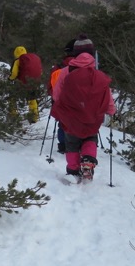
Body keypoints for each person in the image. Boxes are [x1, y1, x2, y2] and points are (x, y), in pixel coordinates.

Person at [50, 40, 115, 182]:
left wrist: (59, 109)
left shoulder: (65, 71)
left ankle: (73, 171)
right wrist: (110, 110)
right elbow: (107, 96)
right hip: (92, 116)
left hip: (71, 117)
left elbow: (57, 94)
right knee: (90, 138)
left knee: (71, 143)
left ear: (75, 54)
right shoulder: (98, 75)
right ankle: (88, 161)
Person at [48, 39, 76, 153]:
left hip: (61, 103)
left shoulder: (58, 67)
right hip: (79, 103)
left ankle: (63, 145)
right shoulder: (85, 67)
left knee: (62, 124)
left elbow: (50, 87)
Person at [9, 45, 42, 123]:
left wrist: (10, 79)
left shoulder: (18, 60)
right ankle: (34, 117)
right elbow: (40, 71)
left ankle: (13, 115)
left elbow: (14, 73)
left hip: (22, 84)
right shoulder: (34, 58)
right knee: (32, 99)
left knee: (12, 98)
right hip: (34, 83)